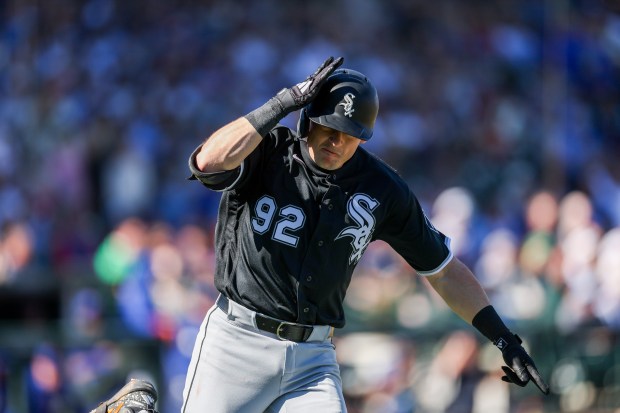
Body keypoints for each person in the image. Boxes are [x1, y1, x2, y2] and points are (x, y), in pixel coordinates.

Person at [92, 56, 549, 413]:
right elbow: (207, 163)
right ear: (307, 119)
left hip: (312, 357)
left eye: (349, 134)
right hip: (237, 343)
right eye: (328, 127)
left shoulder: (381, 189)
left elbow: (442, 270)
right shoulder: (266, 153)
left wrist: (503, 337)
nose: (336, 141)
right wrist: (282, 102)